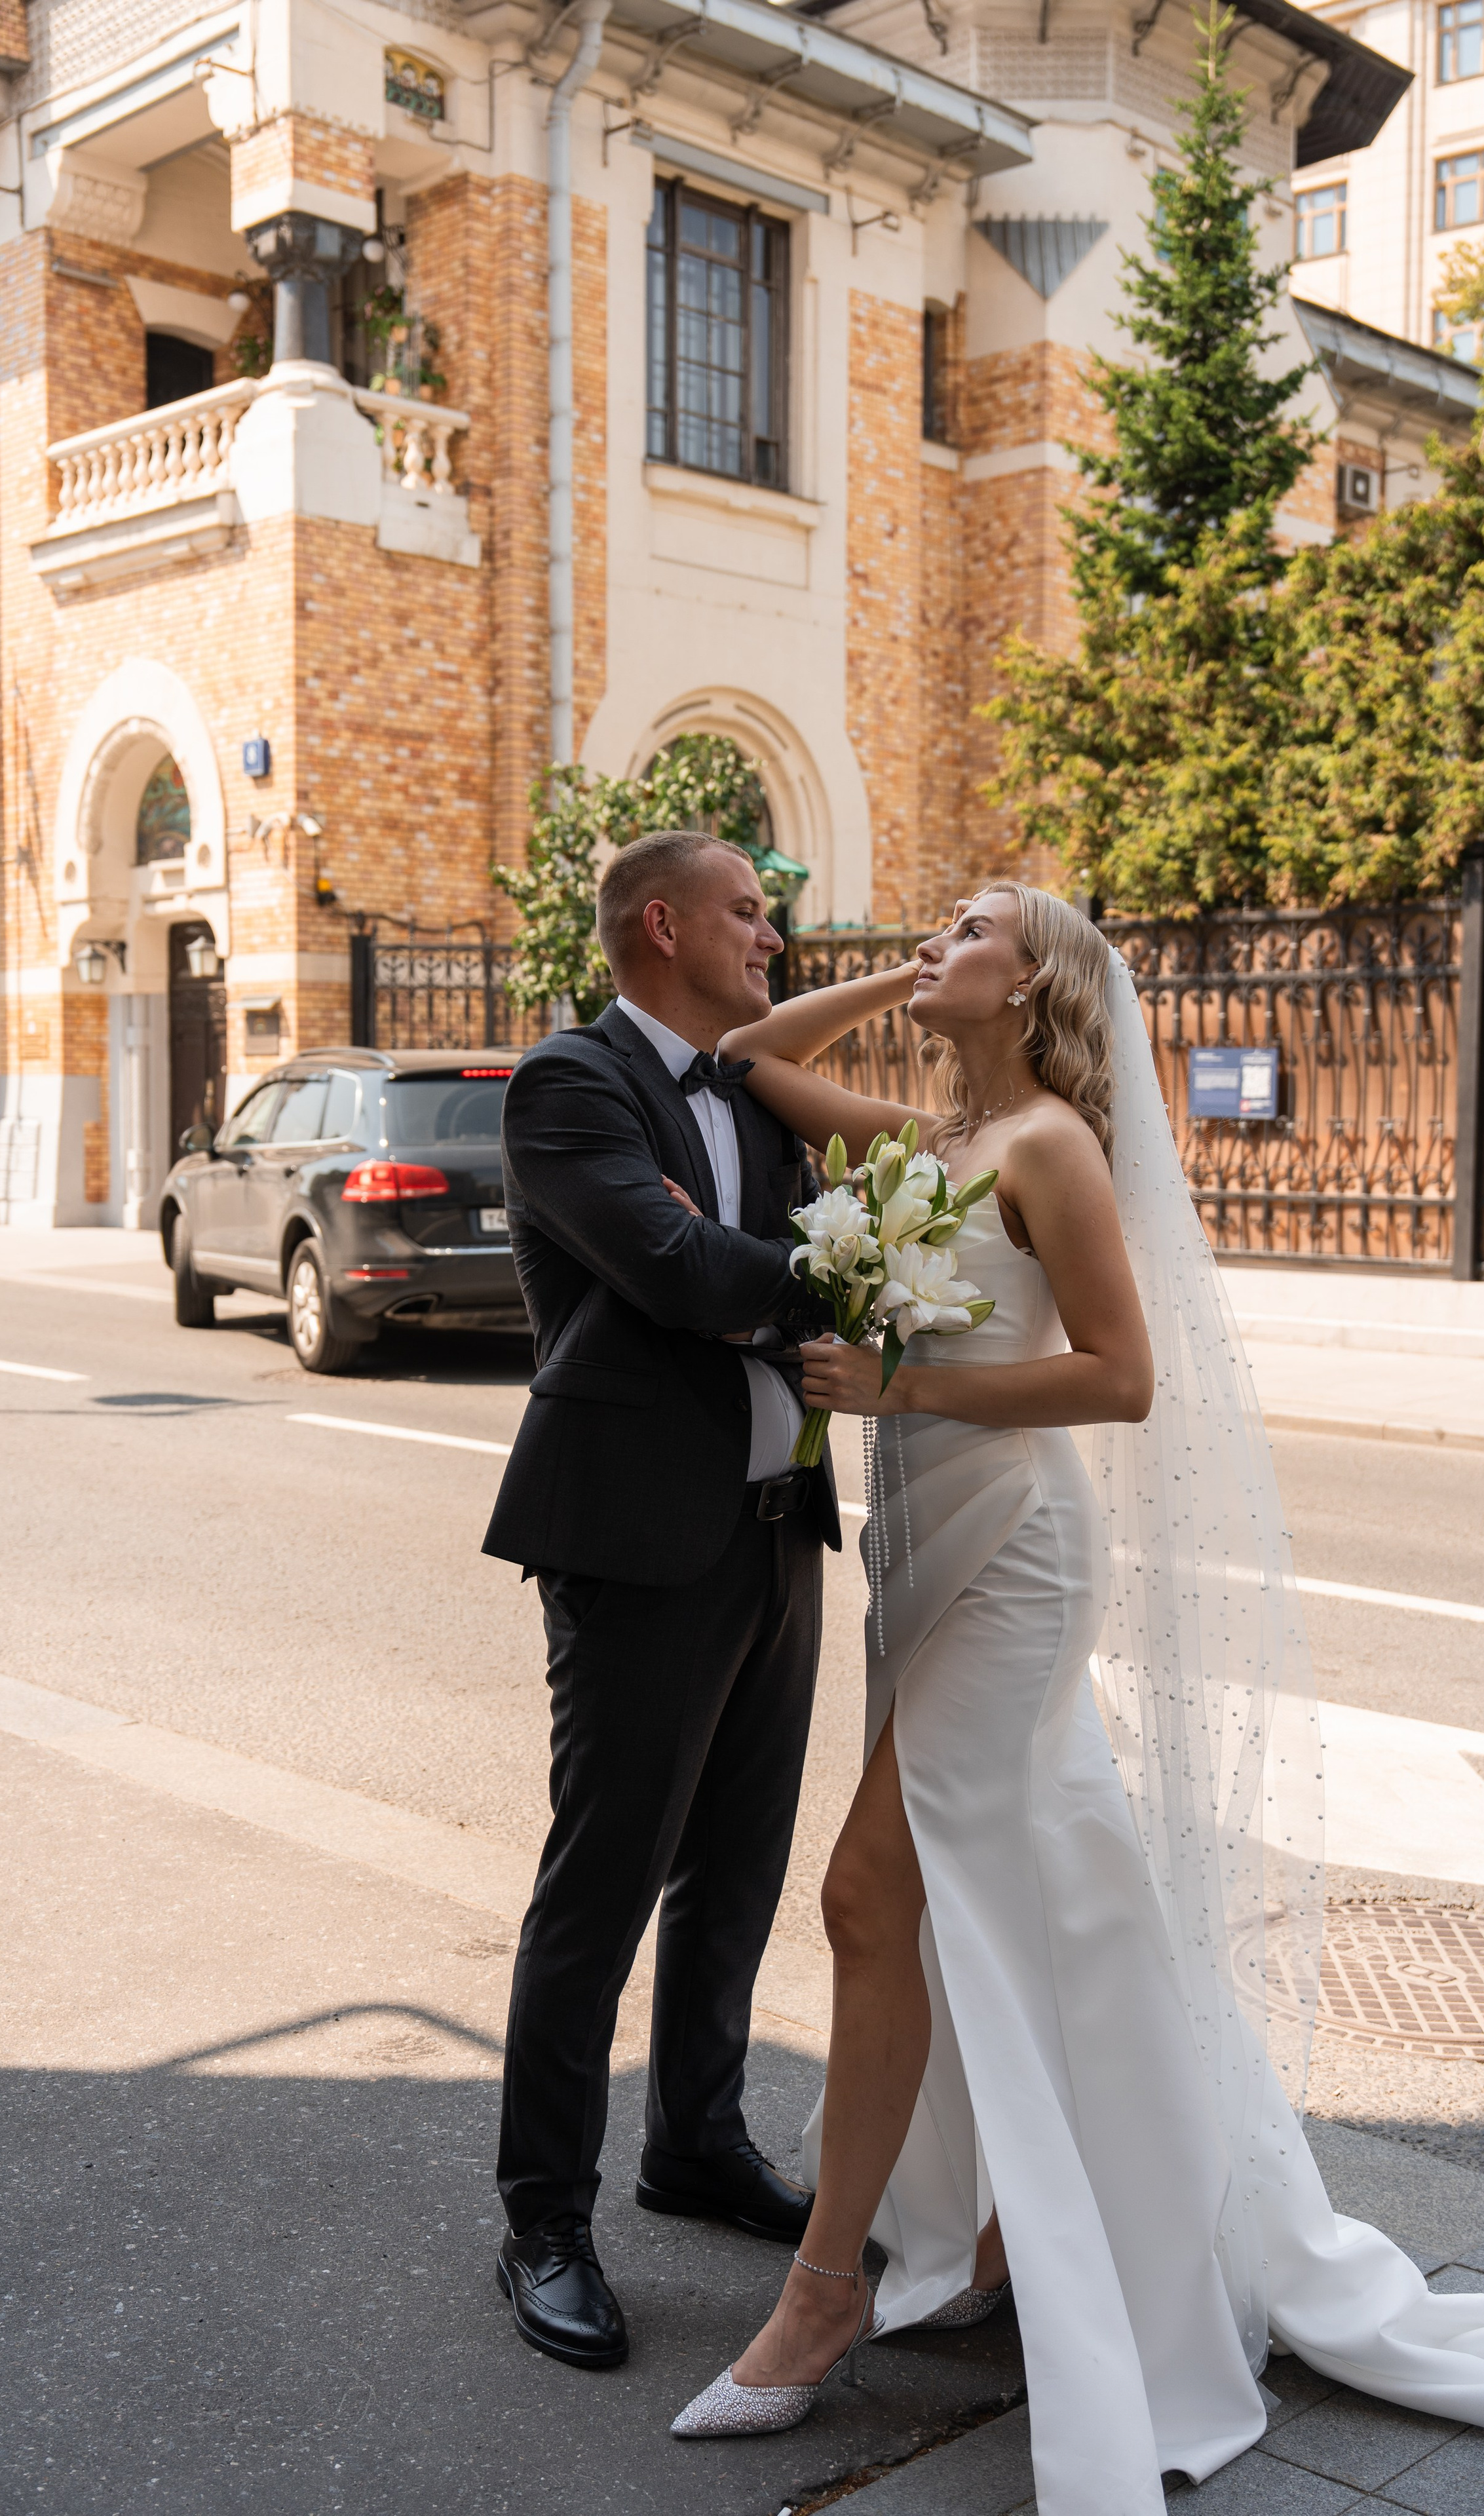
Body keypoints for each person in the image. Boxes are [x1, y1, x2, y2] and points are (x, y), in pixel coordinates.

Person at [670, 884, 1484, 2507]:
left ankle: (824, 2295)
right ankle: (987, 2235)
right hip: (921, 1544)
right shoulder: (937, 1138)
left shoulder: (1047, 1146)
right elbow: (744, 1054)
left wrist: (898, 1378)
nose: (935, 939)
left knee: (867, 1894)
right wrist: (905, 979)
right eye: (933, 926)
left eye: (969, 928)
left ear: (1038, 980)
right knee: (1012, 1902)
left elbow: (1121, 1376)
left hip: (1016, 1562)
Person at [484, 830, 842, 2372]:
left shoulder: (754, 1091)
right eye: (747, 913)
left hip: (775, 1530)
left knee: (737, 1870)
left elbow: (752, 1256)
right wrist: (820, 1281)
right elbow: (681, 1269)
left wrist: (781, 1268)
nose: (769, 937)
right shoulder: (569, 1084)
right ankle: (543, 2225)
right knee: (603, 1884)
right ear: (662, 924)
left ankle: (694, 2141)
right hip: (636, 1542)